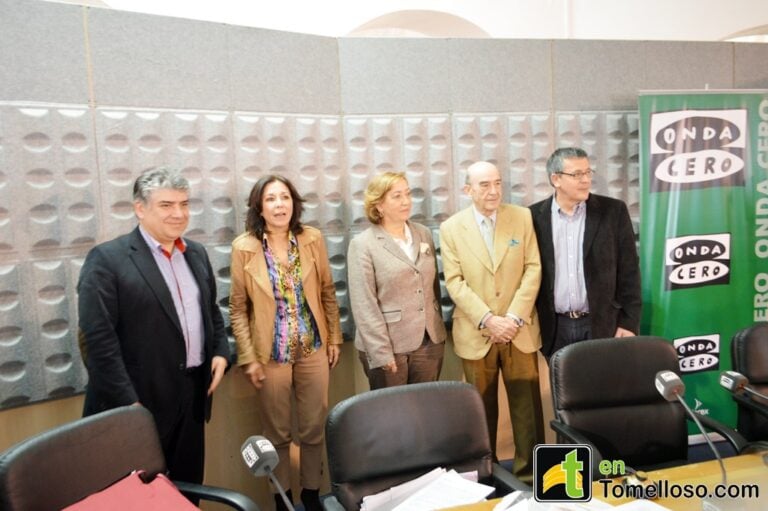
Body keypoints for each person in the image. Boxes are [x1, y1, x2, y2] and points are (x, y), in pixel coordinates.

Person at [77, 167, 230, 486]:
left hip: (191, 399)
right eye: (166, 205)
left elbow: (211, 311)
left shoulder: (197, 254)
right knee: (138, 496)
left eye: (184, 204)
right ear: (140, 208)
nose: (179, 214)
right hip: (136, 403)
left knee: (186, 492)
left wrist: (220, 351)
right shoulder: (107, 260)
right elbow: (97, 340)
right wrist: (128, 403)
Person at [229, 174, 342, 511]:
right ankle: (281, 500)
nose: (280, 205)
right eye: (271, 199)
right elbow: (238, 307)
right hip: (270, 354)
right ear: (259, 207)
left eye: (285, 197)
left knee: (313, 428)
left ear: (294, 203)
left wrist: (334, 336)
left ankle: (310, 494)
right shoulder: (244, 248)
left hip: (312, 347)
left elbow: (326, 291)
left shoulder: (311, 239)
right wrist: (248, 356)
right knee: (276, 434)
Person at [439, 161, 544, 483]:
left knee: (528, 412)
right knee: (480, 413)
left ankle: (530, 479)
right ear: (467, 190)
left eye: (497, 183)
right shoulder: (451, 228)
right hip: (476, 332)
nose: (494, 191)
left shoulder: (522, 217)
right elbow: (454, 282)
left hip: (519, 329)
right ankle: (487, 478)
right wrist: (488, 320)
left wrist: (512, 318)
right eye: (484, 185)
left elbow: (533, 268)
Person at [530, 147, 641, 358]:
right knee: (563, 389)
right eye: (577, 174)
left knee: (605, 390)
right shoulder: (533, 216)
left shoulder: (613, 211)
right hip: (555, 327)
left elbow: (630, 272)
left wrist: (629, 322)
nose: (586, 180)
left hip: (603, 325)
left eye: (588, 172)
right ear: (556, 179)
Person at [348, 172, 447, 390]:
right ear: (379, 205)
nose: (406, 201)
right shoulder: (363, 244)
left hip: (428, 342)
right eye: (397, 196)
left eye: (408, 194)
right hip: (390, 347)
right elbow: (364, 304)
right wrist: (381, 352)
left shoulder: (423, 233)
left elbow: (433, 288)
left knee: (424, 410)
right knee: (393, 414)